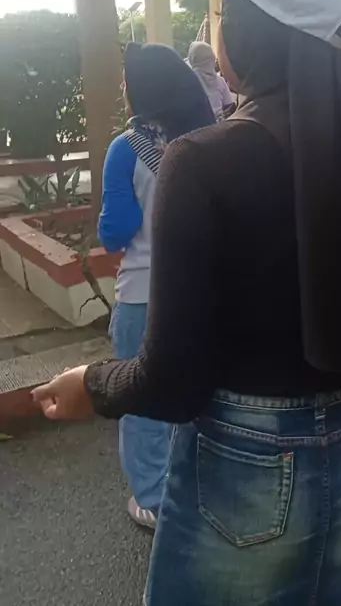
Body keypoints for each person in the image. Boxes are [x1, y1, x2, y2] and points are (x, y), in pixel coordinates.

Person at [32, 0, 341, 606]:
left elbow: (171, 380)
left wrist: (91, 384)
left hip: (249, 455)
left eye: (225, 10)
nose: (217, 27)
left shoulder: (203, 162)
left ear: (253, 30)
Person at [97, 42, 215, 529]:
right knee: (196, 388)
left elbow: (115, 230)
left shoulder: (126, 148)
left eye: (127, 81)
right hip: (203, 287)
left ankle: (152, 497)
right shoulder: (209, 136)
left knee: (140, 397)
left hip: (144, 292)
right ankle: (198, 483)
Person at [188, 40, 236, 120]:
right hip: (219, 123)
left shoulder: (188, 81)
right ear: (212, 58)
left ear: (192, 58)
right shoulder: (220, 81)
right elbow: (229, 106)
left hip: (196, 124)